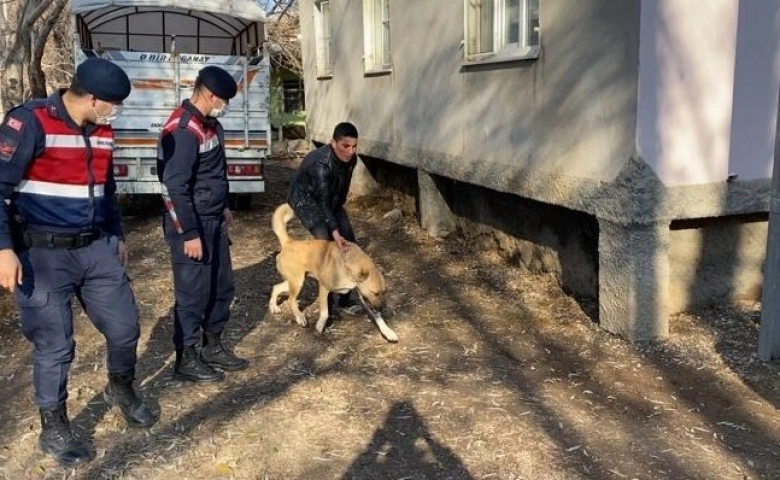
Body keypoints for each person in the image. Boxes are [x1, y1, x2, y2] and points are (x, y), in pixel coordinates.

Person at [0, 57, 156, 466]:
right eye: (113, 103)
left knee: (125, 328)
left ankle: (120, 387)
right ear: (90, 99)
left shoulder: (102, 130)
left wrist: (117, 235)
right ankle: (54, 424)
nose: (116, 111)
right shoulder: (29, 122)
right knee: (55, 346)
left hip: (95, 249)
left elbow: (105, 187)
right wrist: (3, 250)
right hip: (41, 254)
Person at [157, 65, 248, 383]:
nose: (225, 105)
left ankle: (212, 346)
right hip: (191, 227)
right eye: (223, 99)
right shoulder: (183, 129)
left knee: (221, 288)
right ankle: (187, 357)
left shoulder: (210, 124)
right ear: (209, 95)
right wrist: (190, 233)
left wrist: (222, 207)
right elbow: (173, 186)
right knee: (193, 294)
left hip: (213, 221)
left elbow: (212, 172)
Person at [287, 121, 365, 317]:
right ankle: (327, 308)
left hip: (331, 200)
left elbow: (339, 191)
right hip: (307, 200)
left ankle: (346, 300)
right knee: (326, 246)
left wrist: (340, 224)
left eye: (354, 146)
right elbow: (322, 202)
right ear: (333, 143)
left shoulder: (351, 159)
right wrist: (334, 231)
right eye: (345, 146)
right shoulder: (321, 164)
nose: (350, 151)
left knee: (350, 244)